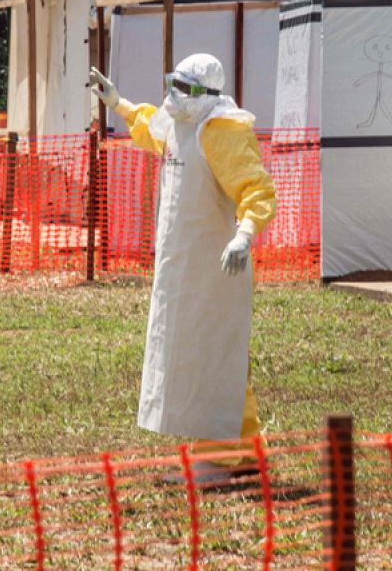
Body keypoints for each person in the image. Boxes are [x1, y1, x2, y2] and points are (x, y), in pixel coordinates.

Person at [87, 54, 276, 483]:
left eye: (185, 89)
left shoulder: (222, 132)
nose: (175, 96)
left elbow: (255, 187)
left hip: (215, 268)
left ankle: (214, 461)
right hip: (181, 267)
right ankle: (245, 453)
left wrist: (244, 235)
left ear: (207, 95)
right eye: (174, 83)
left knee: (210, 354)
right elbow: (149, 125)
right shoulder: (179, 122)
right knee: (201, 355)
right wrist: (118, 102)